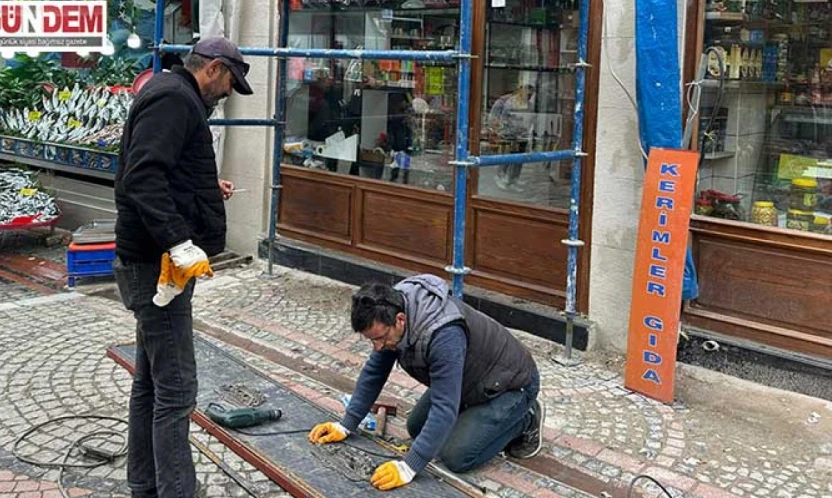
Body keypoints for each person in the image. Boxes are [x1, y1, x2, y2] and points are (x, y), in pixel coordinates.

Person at [112, 37, 253, 498]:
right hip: (159, 269)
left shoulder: (171, 91)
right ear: (213, 68)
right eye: (231, 81)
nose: (230, 92)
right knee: (176, 391)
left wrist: (204, 185)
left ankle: (145, 486)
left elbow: (159, 167)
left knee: (151, 384)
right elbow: (141, 176)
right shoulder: (175, 98)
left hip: (154, 262)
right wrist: (178, 241)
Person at [308, 274, 545, 491]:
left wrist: (408, 467)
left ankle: (526, 419)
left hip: (510, 385)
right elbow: (374, 373)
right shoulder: (391, 308)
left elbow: (444, 407)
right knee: (417, 427)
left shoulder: (443, 334)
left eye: (380, 339)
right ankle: (474, 414)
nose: (377, 347)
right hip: (469, 380)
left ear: (400, 320)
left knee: (457, 456)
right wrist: (346, 424)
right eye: (372, 341)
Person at [487, 81, 535, 192]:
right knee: (507, 157)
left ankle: (513, 179)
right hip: (509, 134)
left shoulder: (529, 104)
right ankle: (500, 177)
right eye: (527, 94)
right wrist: (499, 131)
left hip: (523, 134)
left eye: (531, 95)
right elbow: (499, 118)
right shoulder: (508, 102)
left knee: (520, 158)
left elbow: (531, 118)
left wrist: (529, 131)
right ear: (520, 91)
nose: (529, 96)